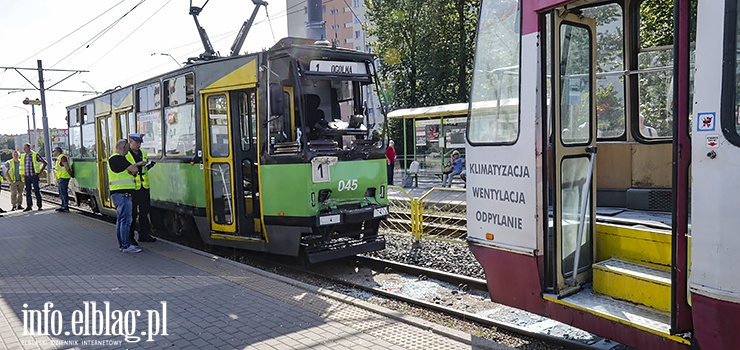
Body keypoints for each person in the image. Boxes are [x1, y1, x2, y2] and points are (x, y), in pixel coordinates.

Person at [109, 139, 143, 253]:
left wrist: (134, 166)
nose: (128, 150)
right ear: (124, 148)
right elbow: (133, 170)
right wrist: (135, 166)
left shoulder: (115, 159)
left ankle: (123, 245)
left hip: (119, 193)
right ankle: (125, 245)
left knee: (121, 220)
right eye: (128, 148)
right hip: (123, 194)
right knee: (126, 221)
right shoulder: (117, 159)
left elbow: (131, 169)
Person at [126, 133, 157, 244]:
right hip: (133, 188)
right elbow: (128, 170)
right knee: (132, 214)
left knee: (144, 212)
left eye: (140, 143)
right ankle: (130, 237)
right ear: (130, 142)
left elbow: (143, 171)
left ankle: (144, 235)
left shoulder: (143, 153)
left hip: (144, 187)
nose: (138, 145)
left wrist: (148, 166)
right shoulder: (126, 154)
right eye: (137, 142)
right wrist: (138, 164)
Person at [21, 143, 47, 211]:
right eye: (24, 148)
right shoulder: (23, 156)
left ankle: (39, 206)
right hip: (27, 176)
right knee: (28, 191)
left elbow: (45, 162)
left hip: (34, 175)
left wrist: (40, 171)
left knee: (37, 190)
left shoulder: (35, 155)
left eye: (25, 148)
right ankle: (29, 206)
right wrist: (22, 173)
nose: (24, 149)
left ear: (30, 148)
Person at [52, 147, 73, 212]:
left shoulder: (62, 157)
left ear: (57, 151)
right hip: (61, 177)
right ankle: (63, 206)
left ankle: (65, 207)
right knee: (61, 193)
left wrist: (71, 174)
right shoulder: (59, 158)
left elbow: (67, 167)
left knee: (63, 193)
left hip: (64, 177)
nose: (53, 152)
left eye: (54, 151)